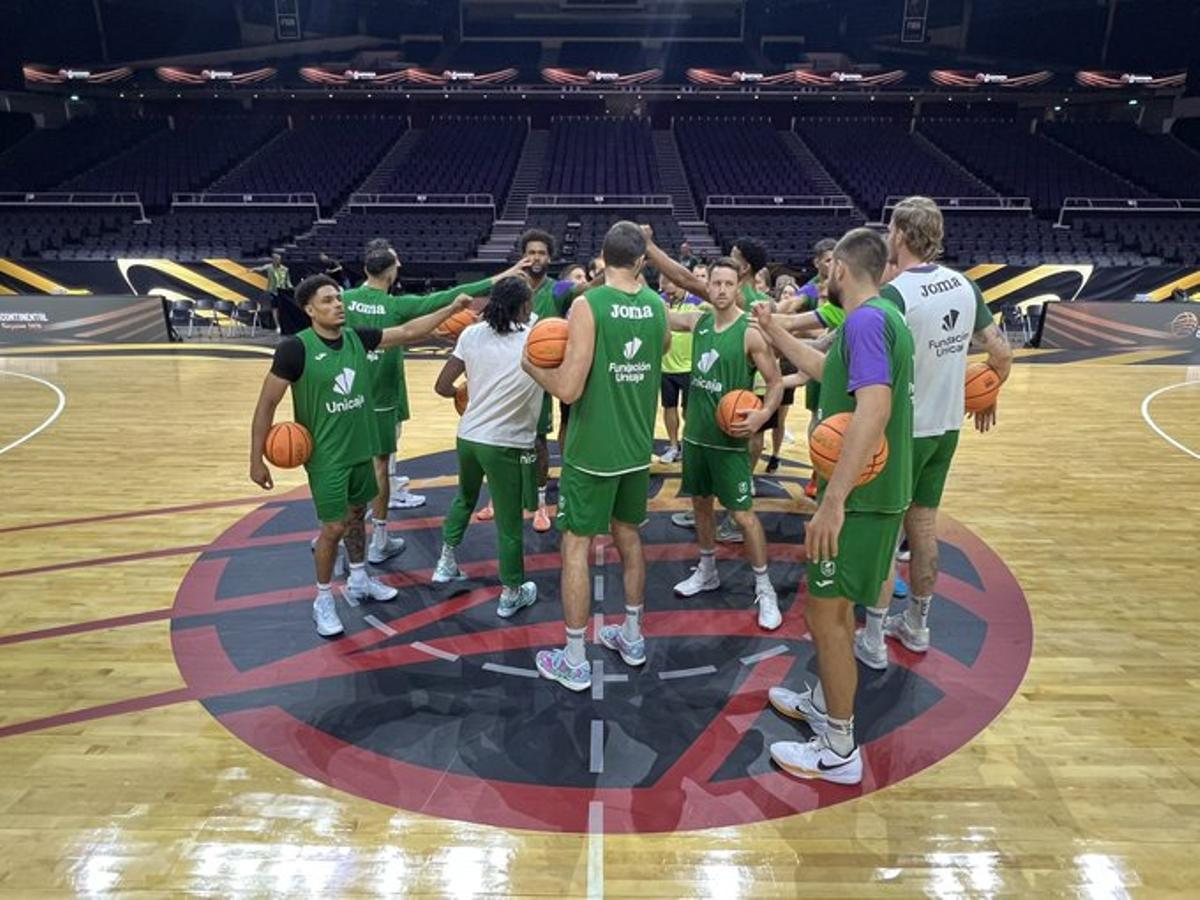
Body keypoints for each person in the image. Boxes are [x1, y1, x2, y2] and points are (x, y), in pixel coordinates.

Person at [754, 228, 915, 785]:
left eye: (828, 267)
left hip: (863, 500)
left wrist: (835, 500)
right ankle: (825, 703)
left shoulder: (868, 322)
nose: (822, 273)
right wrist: (775, 331)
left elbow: (874, 406)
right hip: (875, 496)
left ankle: (839, 749)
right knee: (837, 613)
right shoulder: (875, 318)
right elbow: (833, 375)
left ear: (842, 270)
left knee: (826, 617)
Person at [249, 274, 474, 637]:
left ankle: (359, 578)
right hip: (327, 459)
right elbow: (266, 405)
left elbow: (408, 332)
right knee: (333, 527)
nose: (337, 304)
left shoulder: (357, 337)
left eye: (338, 298)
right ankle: (322, 599)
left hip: (361, 450)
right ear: (309, 310)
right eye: (327, 300)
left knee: (357, 518)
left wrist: (451, 307)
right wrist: (256, 459)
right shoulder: (296, 349)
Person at [846, 197, 1012, 668]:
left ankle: (874, 637)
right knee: (922, 527)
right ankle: (917, 626)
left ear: (897, 235)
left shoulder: (896, 295)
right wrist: (988, 393)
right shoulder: (964, 285)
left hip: (903, 432)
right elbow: (1001, 354)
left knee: (884, 532)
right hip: (946, 428)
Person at [521, 221, 670, 691]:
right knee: (629, 538)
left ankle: (574, 658)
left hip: (591, 452)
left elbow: (567, 387)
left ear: (602, 258)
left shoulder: (589, 304)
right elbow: (663, 346)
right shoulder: (655, 305)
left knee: (577, 547)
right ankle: (631, 635)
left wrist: (531, 365)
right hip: (636, 449)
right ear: (642, 261)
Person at [342, 246, 523, 565]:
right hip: (380, 396)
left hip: (345, 392)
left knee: (347, 463)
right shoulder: (396, 305)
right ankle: (379, 540)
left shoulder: (341, 300)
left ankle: (335, 529)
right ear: (390, 272)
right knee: (380, 467)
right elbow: (450, 296)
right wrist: (504, 275)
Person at [657, 257, 785, 630]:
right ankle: (708, 568)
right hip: (696, 438)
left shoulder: (749, 332)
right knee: (700, 504)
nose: (723, 290)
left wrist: (763, 415)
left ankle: (765, 588)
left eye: (730, 284)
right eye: (717, 284)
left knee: (744, 516)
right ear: (707, 287)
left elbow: (775, 383)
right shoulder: (698, 322)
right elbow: (660, 315)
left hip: (730, 442)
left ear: (738, 287)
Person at [432, 276, 544, 617]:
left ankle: (445, 563)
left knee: (464, 498)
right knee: (509, 523)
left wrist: (463, 395)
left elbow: (441, 386)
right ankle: (511, 592)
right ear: (524, 306)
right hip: (506, 443)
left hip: (468, 437)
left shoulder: (471, 334)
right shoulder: (536, 340)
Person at [657, 274, 705, 464]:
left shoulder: (697, 303)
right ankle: (673, 445)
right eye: (665, 282)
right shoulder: (659, 302)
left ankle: (688, 443)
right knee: (669, 408)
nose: (668, 286)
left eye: (672, 281)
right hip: (665, 366)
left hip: (689, 367)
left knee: (689, 412)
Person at [253, 251, 293, 333]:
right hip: (273, 291)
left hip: (283, 292)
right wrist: (253, 269)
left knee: (283, 309)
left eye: (279, 259)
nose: (278, 261)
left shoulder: (285, 269)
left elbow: (288, 281)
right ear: (273, 260)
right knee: (275, 309)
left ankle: (284, 325)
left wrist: (291, 288)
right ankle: (277, 326)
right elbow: (261, 268)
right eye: (276, 259)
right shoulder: (269, 267)